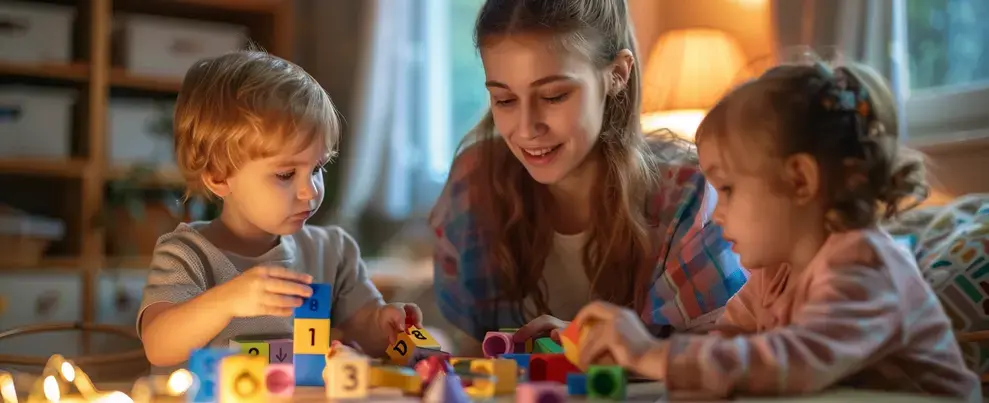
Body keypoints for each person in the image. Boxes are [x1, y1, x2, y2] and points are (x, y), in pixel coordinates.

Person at [572, 60, 983, 401]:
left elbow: (795, 361)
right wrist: (630, 354)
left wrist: (652, 354)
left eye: (728, 190)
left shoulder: (866, 265)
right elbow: (730, 346)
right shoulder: (773, 272)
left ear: (800, 180)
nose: (717, 215)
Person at [429, 0, 748, 349]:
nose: (526, 129)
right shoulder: (474, 184)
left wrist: (593, 342)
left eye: (554, 96)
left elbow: (723, 356)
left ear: (617, 75)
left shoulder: (690, 196)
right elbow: (469, 352)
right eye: (504, 100)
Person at [137, 50, 422, 372]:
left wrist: (386, 323)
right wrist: (226, 301)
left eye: (317, 168)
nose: (310, 190)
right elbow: (158, 346)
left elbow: (366, 335)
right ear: (219, 176)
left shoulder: (333, 252)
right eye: (286, 174)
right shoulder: (186, 255)